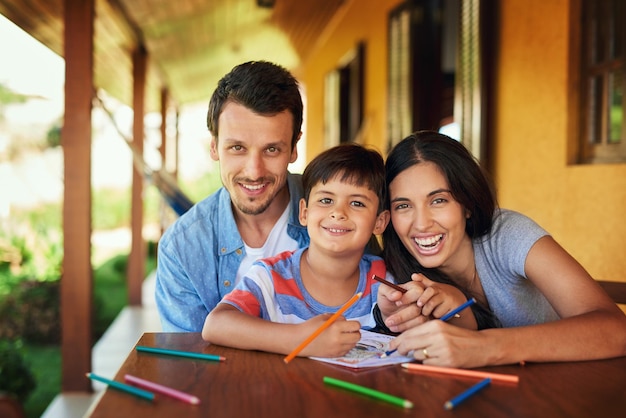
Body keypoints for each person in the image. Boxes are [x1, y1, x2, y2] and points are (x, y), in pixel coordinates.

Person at [377, 130, 626, 368]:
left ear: (467, 203)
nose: (421, 223)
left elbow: (616, 330)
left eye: (439, 200)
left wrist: (484, 346)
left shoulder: (506, 234)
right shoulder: (393, 271)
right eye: (403, 206)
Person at [155, 61, 310, 332]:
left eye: (272, 149)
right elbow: (192, 365)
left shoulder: (341, 216)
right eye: (237, 147)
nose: (254, 171)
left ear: (294, 148)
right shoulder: (181, 248)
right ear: (214, 146)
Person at [202, 144, 391, 358]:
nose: (338, 213)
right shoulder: (271, 277)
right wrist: (300, 340)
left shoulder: (384, 280)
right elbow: (215, 325)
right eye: (326, 200)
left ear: (379, 222)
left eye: (357, 203)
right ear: (304, 213)